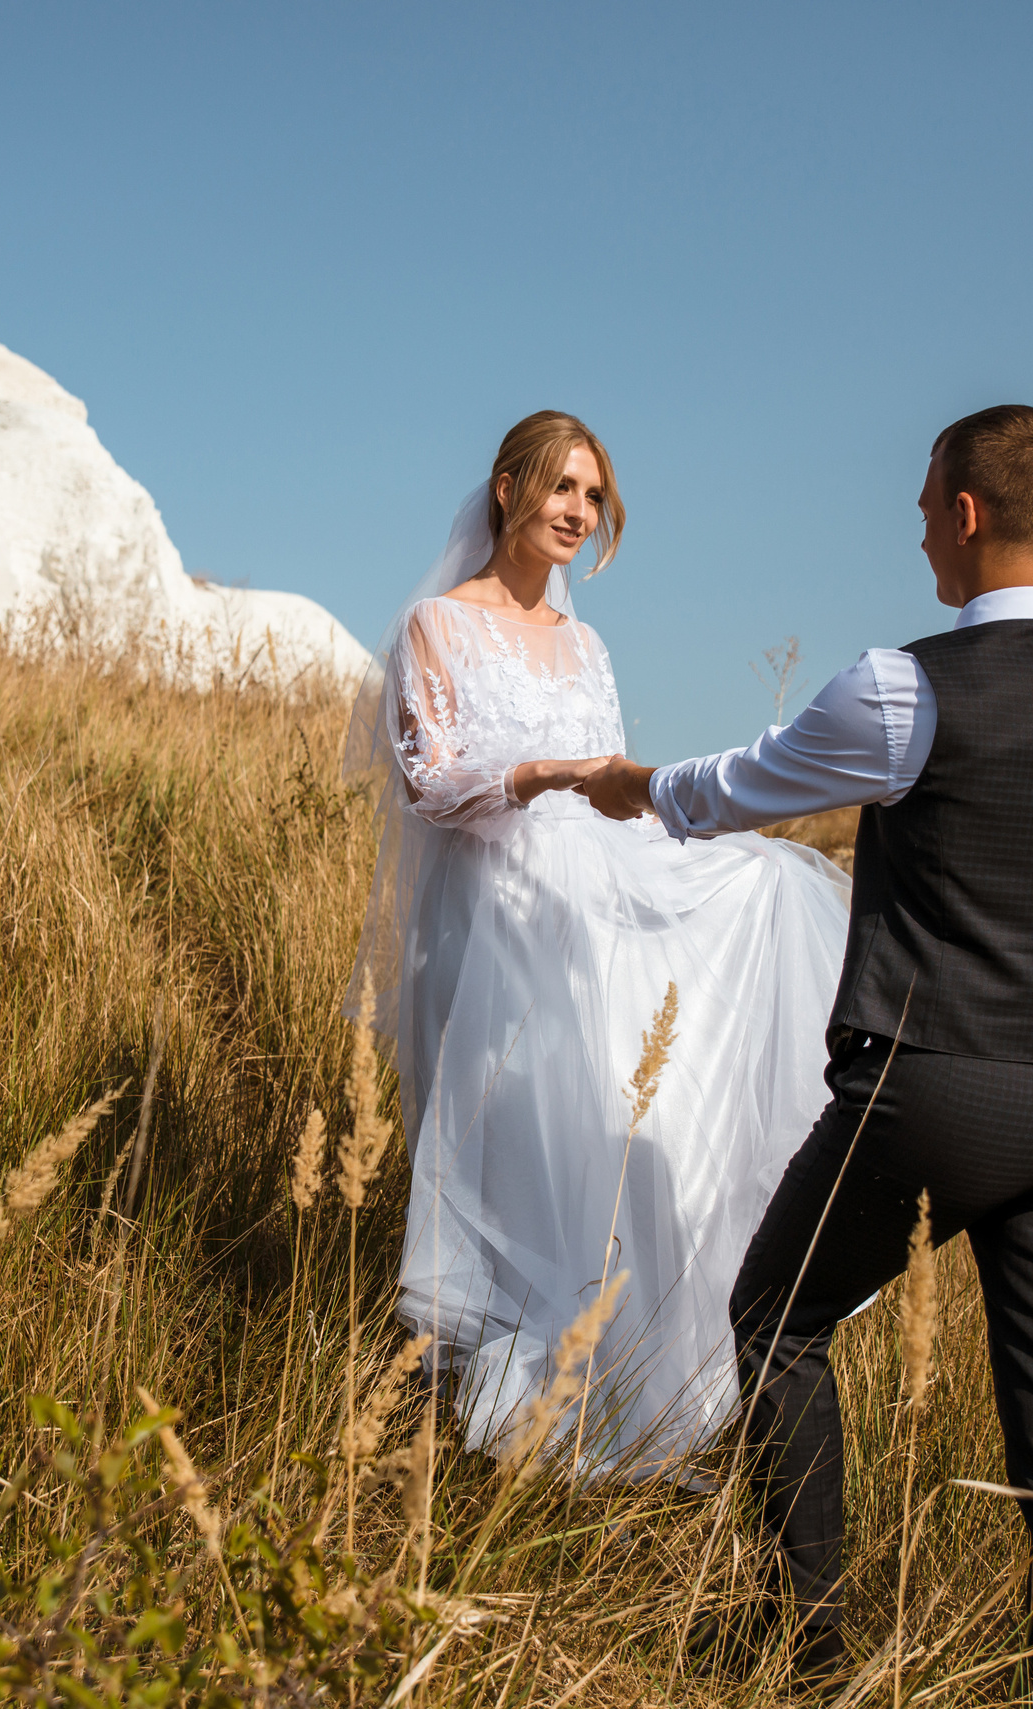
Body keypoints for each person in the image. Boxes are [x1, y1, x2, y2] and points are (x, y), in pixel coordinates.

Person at [581, 404, 1033, 1703]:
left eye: (929, 503)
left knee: (776, 1317)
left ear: (971, 514)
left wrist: (631, 785)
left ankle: (811, 1646)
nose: (921, 526)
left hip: (927, 1093)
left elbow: (736, 791)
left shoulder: (903, 687)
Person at [347, 411, 853, 1477]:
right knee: (512, 1140)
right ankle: (499, 1412)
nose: (577, 511)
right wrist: (541, 774)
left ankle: (616, 1387)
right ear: (505, 489)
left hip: (594, 904)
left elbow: (615, 785)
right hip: (491, 911)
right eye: (561, 487)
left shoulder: (588, 643)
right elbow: (428, 783)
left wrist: (664, 818)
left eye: (592, 496)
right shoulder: (436, 623)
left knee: (609, 1118)